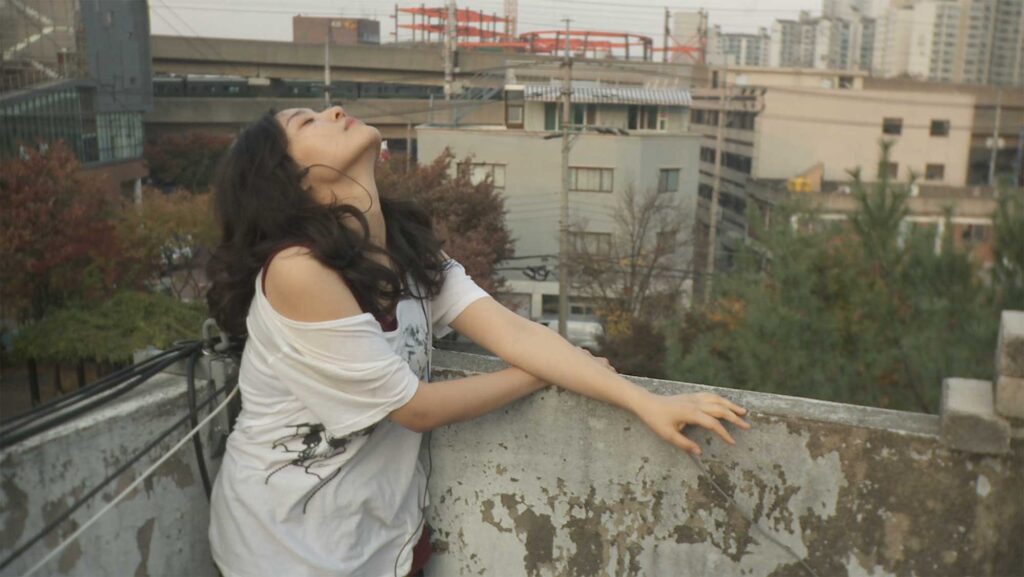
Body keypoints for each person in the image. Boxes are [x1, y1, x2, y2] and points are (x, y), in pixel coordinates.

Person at [204, 105, 752, 577]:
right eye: (308, 121)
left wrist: (645, 402)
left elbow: (511, 331)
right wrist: (536, 374)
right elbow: (414, 409)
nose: (335, 112)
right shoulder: (298, 269)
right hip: (283, 544)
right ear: (288, 178)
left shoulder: (405, 252)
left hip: (377, 536)